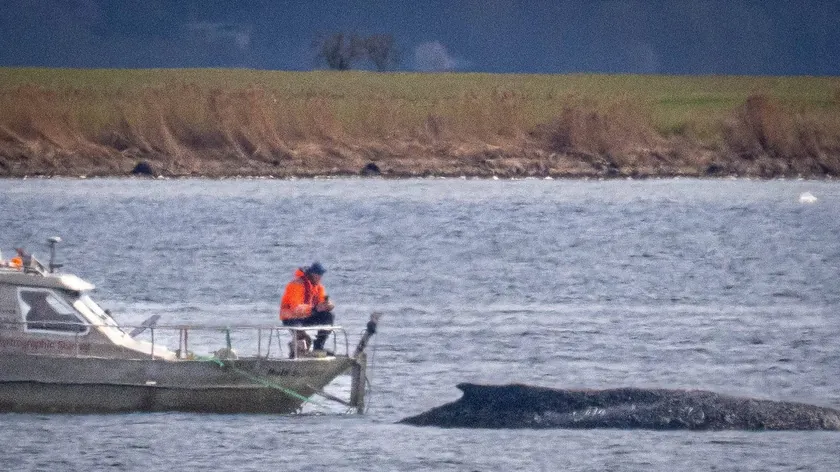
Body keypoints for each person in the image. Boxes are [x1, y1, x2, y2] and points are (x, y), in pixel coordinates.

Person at [279, 262, 336, 354]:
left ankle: (318, 347)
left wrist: (328, 305)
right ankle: (295, 352)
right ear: (312, 274)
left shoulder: (318, 287)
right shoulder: (296, 285)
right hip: (291, 318)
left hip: (307, 315)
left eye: (321, 274)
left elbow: (322, 302)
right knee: (304, 340)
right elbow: (295, 309)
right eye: (318, 274)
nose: (320, 277)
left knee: (329, 316)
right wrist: (314, 309)